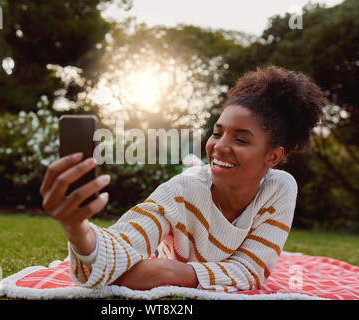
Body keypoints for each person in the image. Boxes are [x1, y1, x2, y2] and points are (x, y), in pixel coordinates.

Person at [39, 66, 327, 291]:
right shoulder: (183, 190)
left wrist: (167, 271)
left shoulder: (280, 188)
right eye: (217, 132)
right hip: (190, 185)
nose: (219, 146)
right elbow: (122, 246)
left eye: (240, 139)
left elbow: (251, 271)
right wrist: (76, 228)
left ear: (272, 157)